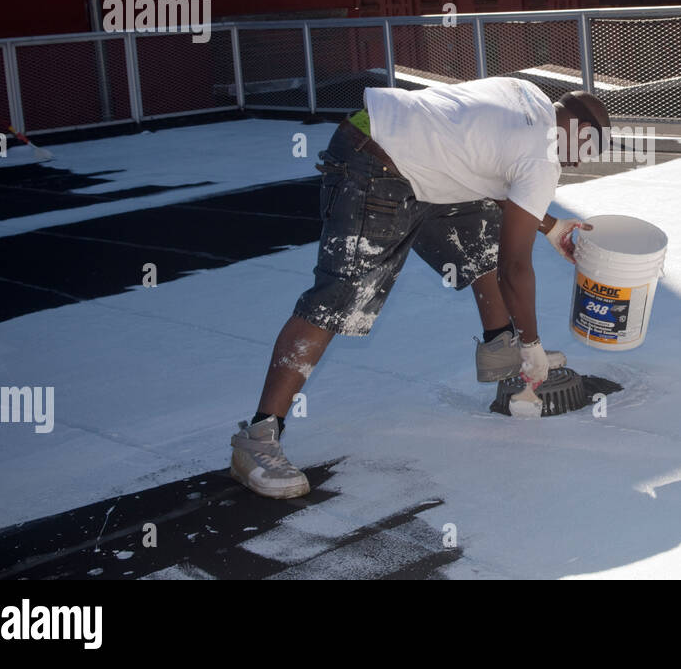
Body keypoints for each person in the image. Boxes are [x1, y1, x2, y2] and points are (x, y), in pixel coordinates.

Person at [228, 77, 611, 498]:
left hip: (382, 137)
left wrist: (551, 226)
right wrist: (533, 343)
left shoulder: (526, 96)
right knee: (339, 298)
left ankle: (500, 347)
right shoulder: (541, 156)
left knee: (481, 227)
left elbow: (491, 177)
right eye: (586, 151)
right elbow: (515, 266)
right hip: (376, 165)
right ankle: (260, 436)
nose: (578, 165)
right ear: (575, 131)